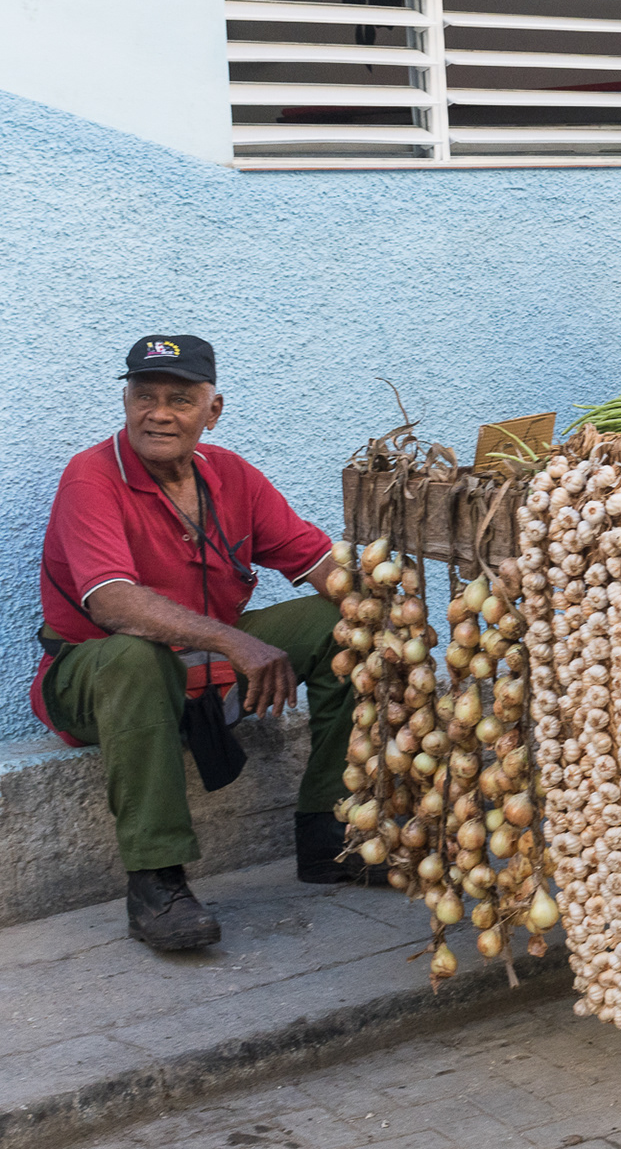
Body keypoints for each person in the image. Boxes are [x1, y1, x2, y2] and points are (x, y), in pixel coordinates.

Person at [33, 336, 368, 953]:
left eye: (180, 400)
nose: (158, 413)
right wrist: (234, 641)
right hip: (95, 676)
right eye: (144, 396)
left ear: (212, 411)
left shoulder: (231, 475)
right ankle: (156, 882)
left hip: (205, 669)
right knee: (137, 656)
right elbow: (110, 602)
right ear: (126, 400)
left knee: (342, 623)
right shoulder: (91, 475)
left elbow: (318, 560)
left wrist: (388, 604)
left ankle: (332, 832)